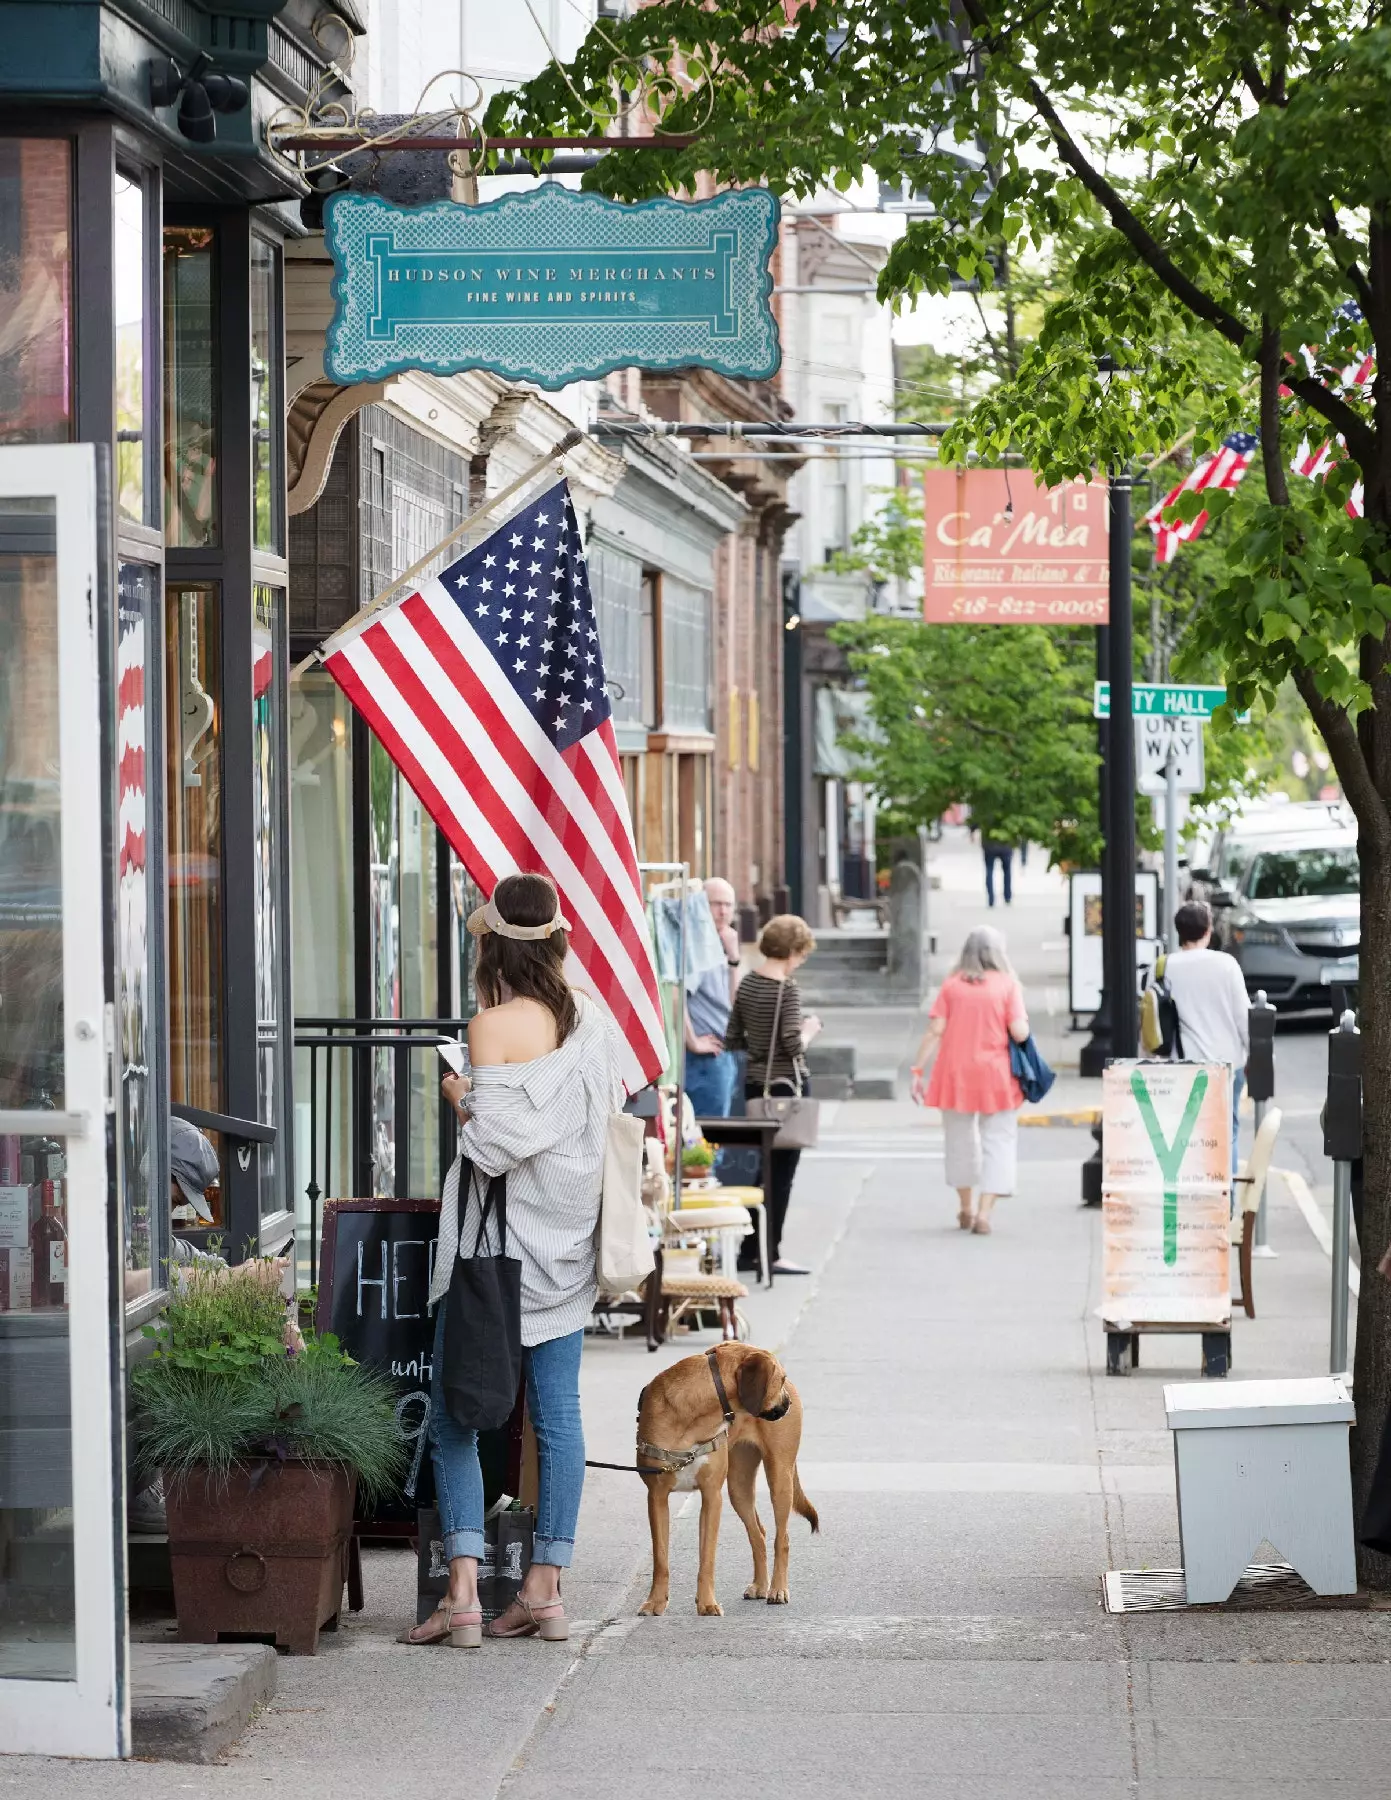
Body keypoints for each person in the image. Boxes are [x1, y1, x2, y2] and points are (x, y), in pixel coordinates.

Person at [403, 872, 622, 1649]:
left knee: (459, 1418)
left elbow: (492, 1147)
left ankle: (461, 1595)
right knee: (558, 1419)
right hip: (566, 1248)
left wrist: (461, 1093)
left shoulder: (492, 1024)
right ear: (557, 941)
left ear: (491, 945)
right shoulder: (587, 1021)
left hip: (492, 1258)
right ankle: (545, 1590)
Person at [910, 927, 1030, 1235]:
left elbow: (935, 1030)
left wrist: (918, 1070)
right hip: (996, 1075)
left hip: (955, 1075)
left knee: (959, 1141)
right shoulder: (1007, 985)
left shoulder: (951, 986)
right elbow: (1019, 1032)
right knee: (998, 1141)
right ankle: (984, 1213)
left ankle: (964, 1207)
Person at [723, 914, 821, 1275]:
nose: (801, 960)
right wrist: (811, 1028)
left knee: (760, 1171)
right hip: (787, 1089)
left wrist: (761, 1047)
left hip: (755, 1086)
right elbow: (795, 1046)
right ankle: (770, 1251)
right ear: (794, 951)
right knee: (781, 1175)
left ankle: (751, 1248)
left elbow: (733, 1037)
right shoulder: (787, 989)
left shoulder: (748, 983)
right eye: (802, 954)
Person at [1161, 900, 1250, 1175]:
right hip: (1227, 1063)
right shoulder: (1226, 965)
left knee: (1186, 1135)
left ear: (1179, 932)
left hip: (1183, 1063)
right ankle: (1227, 1201)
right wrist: (1255, 1054)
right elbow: (1243, 1017)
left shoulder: (1165, 966)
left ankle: (1194, 1197)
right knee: (1226, 1133)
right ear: (1208, 930)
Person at [682, 876, 743, 1119]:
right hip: (703, 1057)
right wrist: (692, 1041)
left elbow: (735, 1003)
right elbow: (678, 997)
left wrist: (734, 959)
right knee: (708, 1138)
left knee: (715, 1135)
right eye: (715, 904)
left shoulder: (721, 945)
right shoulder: (696, 946)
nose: (723, 911)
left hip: (723, 1051)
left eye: (729, 905)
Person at [982, 837, 1014, 907]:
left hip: (989, 844)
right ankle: (1007, 897)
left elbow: (977, 825)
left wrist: (972, 830)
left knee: (989, 870)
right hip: (1006, 845)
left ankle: (991, 899)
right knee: (1007, 871)